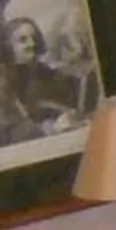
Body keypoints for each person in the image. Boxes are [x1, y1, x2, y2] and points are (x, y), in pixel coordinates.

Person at [0, 15, 91, 145]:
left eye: (33, 38)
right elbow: (10, 130)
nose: (31, 44)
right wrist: (51, 128)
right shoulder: (3, 83)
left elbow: (69, 89)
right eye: (23, 40)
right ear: (7, 45)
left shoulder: (40, 71)